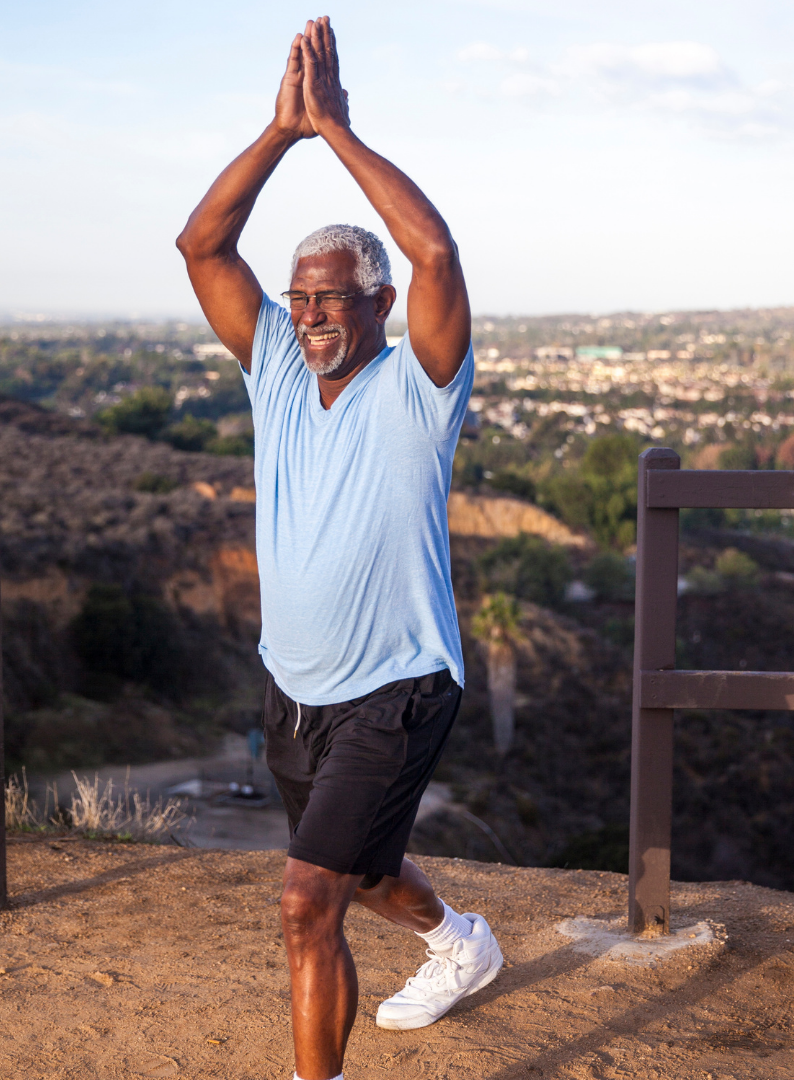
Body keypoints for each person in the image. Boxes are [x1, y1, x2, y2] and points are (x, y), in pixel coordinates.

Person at [175, 16, 502, 1080]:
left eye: (333, 298)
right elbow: (201, 246)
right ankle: (460, 943)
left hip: (398, 689)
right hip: (295, 689)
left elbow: (436, 249)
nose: (310, 312)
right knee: (358, 873)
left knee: (303, 901)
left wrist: (341, 133)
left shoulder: (421, 385)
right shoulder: (272, 360)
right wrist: (282, 134)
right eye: (299, 295)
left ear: (379, 304)